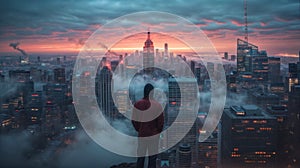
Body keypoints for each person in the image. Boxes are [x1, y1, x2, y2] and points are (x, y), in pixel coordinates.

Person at [132, 83, 164, 168]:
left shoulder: (138, 104)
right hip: (153, 136)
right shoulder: (157, 105)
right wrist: (157, 131)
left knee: (141, 157)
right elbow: (161, 123)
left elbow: (134, 120)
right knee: (152, 159)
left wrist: (139, 129)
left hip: (142, 135)